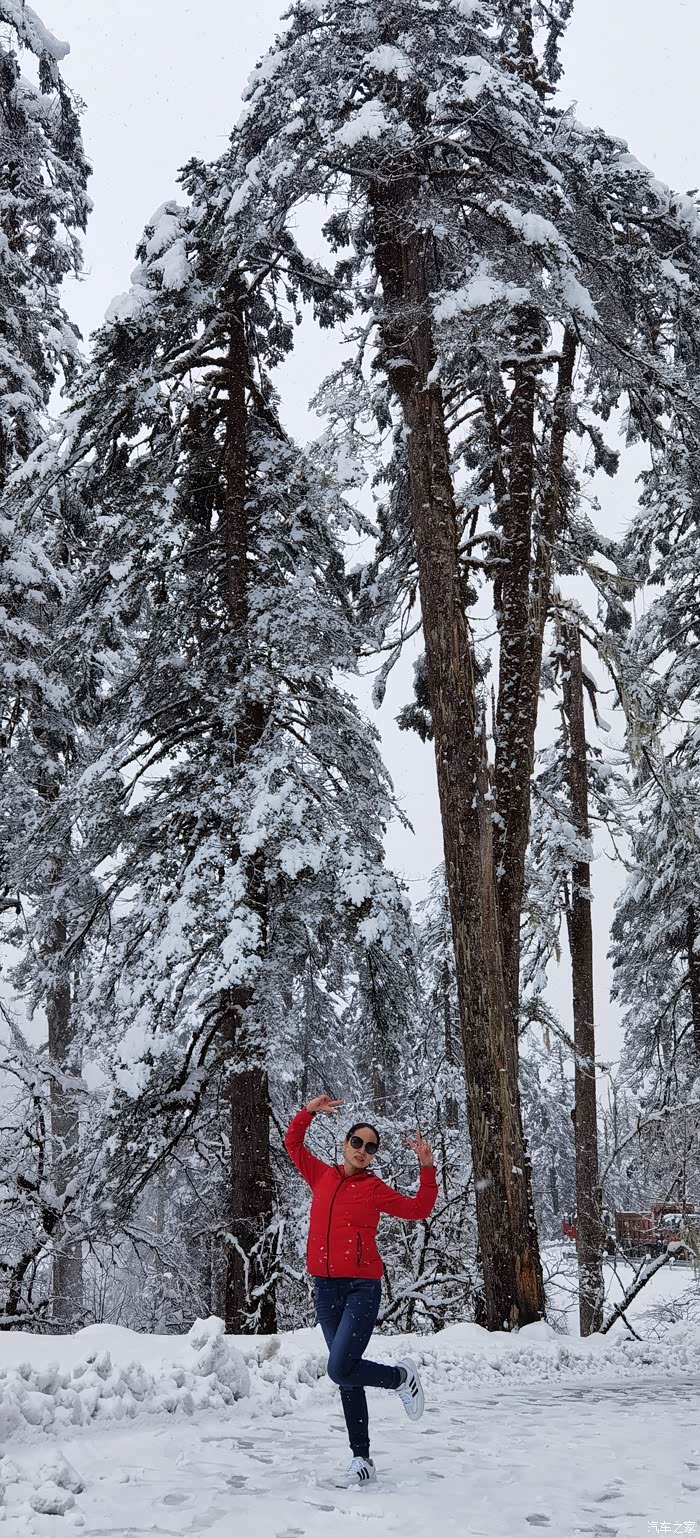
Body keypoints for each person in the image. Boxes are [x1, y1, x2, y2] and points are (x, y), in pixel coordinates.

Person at [284, 1093, 438, 1488]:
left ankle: (400, 1377)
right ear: (345, 1143)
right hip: (324, 1289)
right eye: (357, 1142)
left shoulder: (374, 1189)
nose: (362, 1151)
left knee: (339, 1368)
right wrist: (308, 1112)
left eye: (370, 1148)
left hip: (361, 1288)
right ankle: (362, 1459)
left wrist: (427, 1168)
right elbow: (292, 1143)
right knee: (347, 1374)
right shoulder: (322, 1176)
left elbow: (418, 1209)